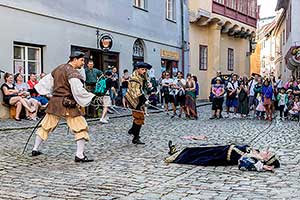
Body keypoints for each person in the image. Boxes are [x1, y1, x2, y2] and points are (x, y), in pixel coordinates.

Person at [31, 51, 95, 162]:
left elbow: (45, 83)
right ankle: (79, 155)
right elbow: (78, 91)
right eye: (82, 60)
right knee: (80, 127)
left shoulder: (59, 68)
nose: (83, 63)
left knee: (45, 125)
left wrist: (50, 94)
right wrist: (91, 97)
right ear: (74, 59)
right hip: (68, 104)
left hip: (55, 103)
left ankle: (35, 149)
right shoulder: (72, 73)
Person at [165, 141, 280, 172]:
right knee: (194, 150)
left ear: (266, 159)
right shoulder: (256, 151)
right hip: (222, 149)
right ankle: (175, 152)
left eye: (268, 154)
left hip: (220, 156)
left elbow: (243, 163)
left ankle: (175, 156)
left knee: (195, 156)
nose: (267, 152)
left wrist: (261, 166)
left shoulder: (254, 159)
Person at [125, 62, 152, 145]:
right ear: (137, 69)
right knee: (139, 118)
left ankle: (133, 130)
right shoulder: (134, 78)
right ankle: (135, 137)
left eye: (145, 70)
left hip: (138, 100)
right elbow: (137, 93)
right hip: (134, 100)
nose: (144, 71)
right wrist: (145, 100)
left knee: (139, 117)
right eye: (142, 69)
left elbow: (144, 87)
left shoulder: (142, 76)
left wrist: (149, 86)